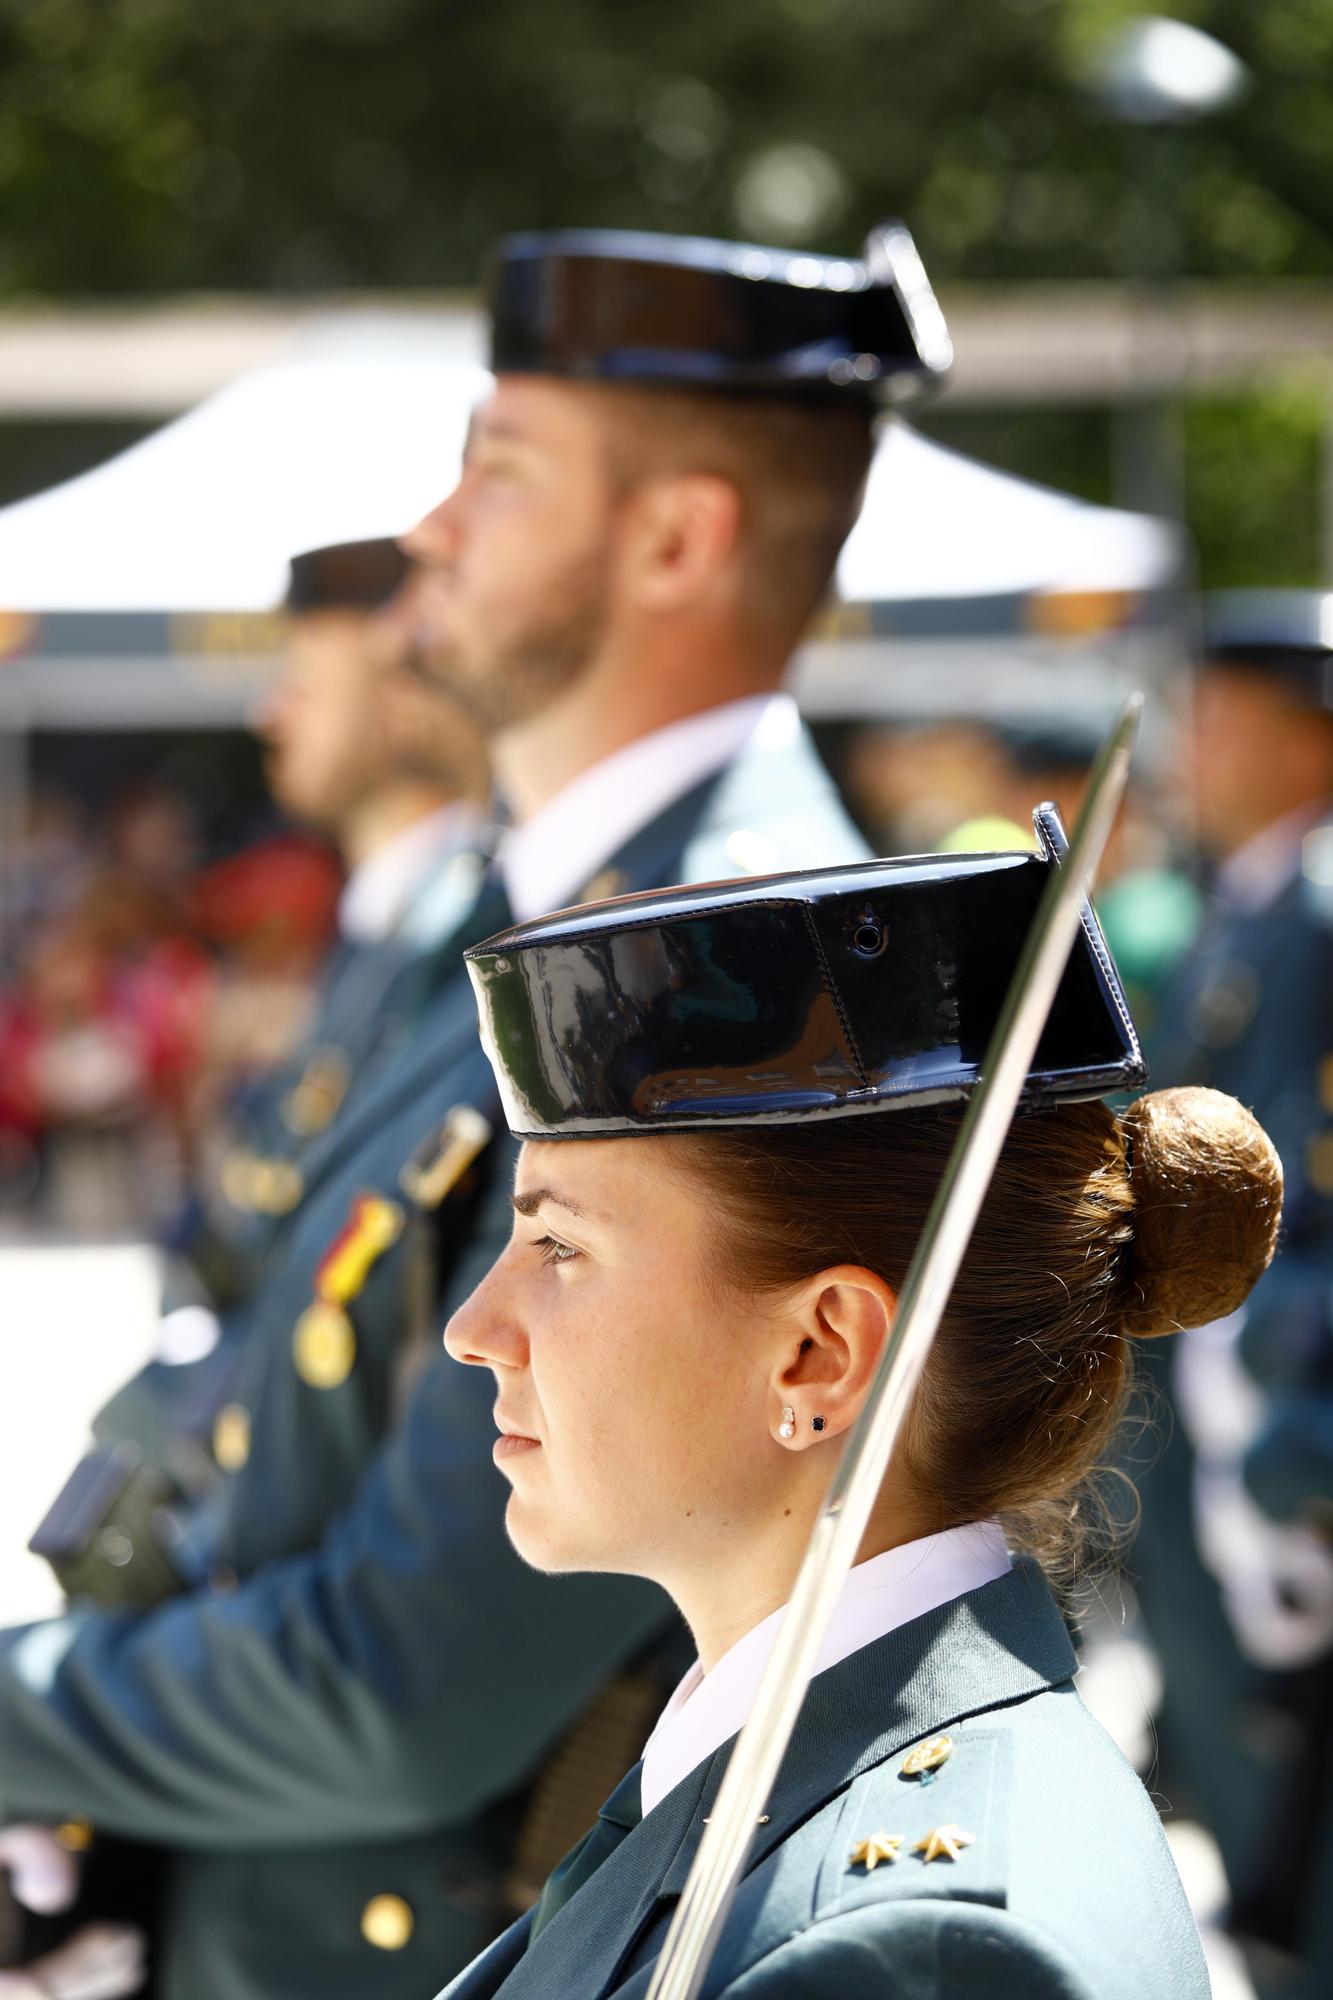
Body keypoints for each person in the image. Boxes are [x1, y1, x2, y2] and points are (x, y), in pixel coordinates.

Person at [0, 224, 942, 1998]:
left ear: (676, 537)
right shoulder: (544, 913)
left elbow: (402, 1685)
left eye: (495, 474)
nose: (431, 534)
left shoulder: (728, 971)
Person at [435, 827, 1283, 1999]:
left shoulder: (905, 1947)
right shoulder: (776, 1770)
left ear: (821, 1353)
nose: (473, 1327)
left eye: (558, 1243)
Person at [1133, 590, 1333, 1996]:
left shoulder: (1314, 909)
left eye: (1218, 720)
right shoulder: (1254, 899)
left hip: (1274, 1416)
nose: (1188, 754)